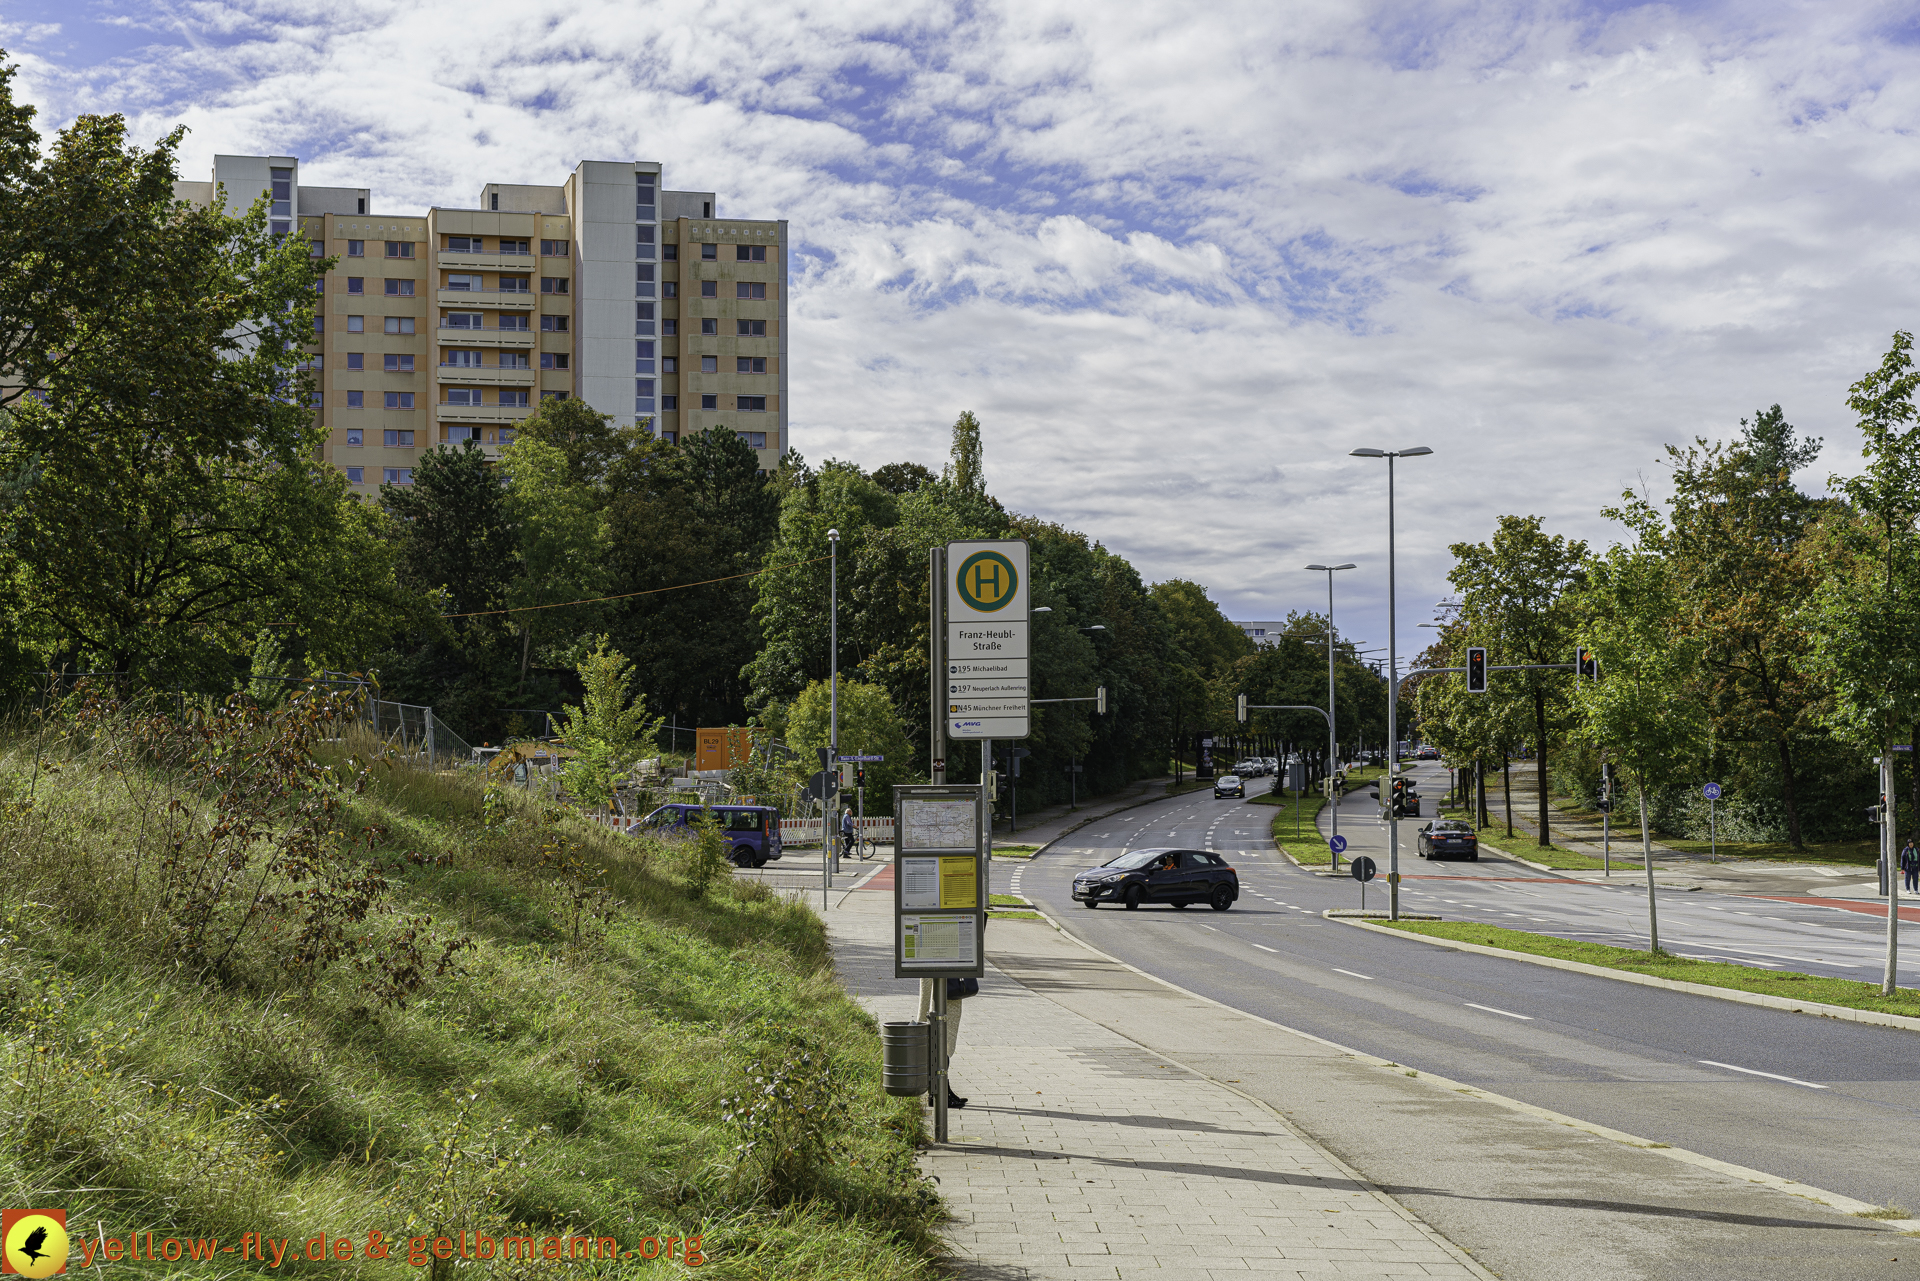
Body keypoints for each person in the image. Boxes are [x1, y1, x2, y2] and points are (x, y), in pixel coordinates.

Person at [918, 977, 973, 1109]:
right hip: (942, 996)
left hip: (945, 992)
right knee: (942, 1045)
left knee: (941, 1045)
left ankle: (940, 1091)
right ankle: (939, 1094)